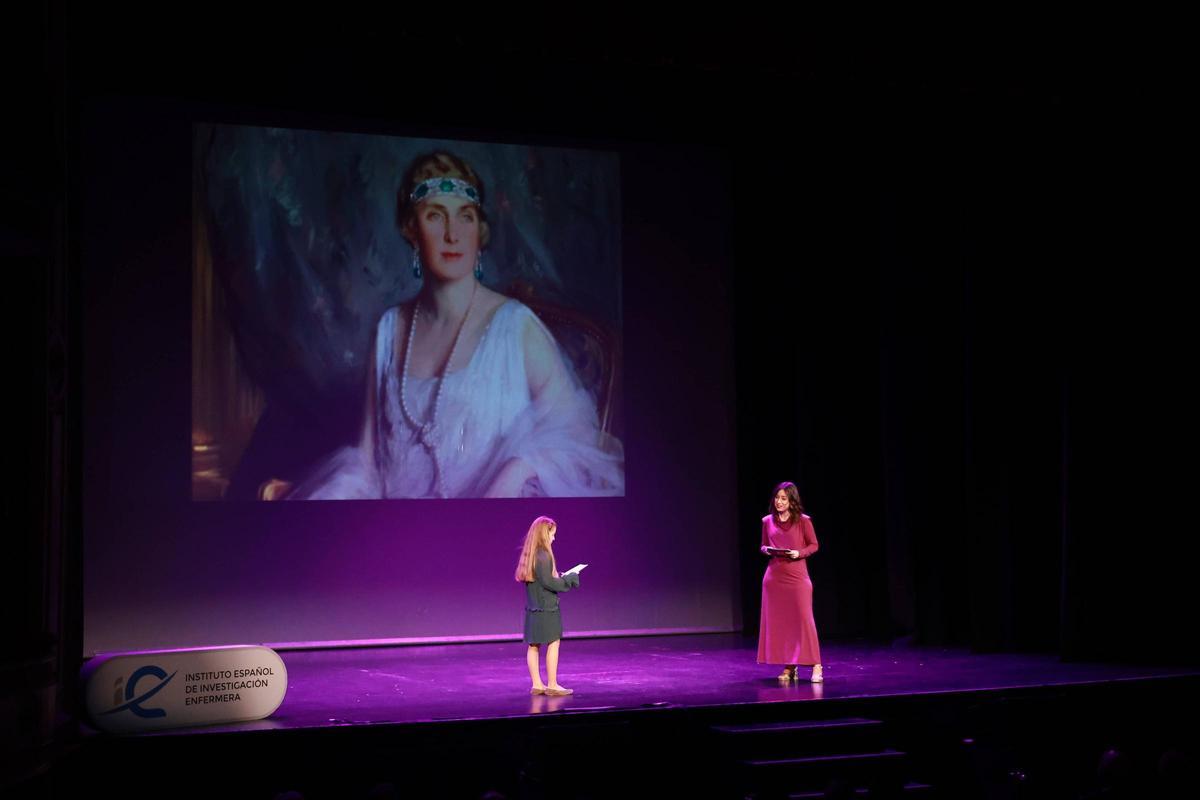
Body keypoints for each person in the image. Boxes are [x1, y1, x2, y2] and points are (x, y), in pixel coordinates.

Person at [283, 151, 623, 499]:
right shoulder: (389, 329)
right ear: (412, 231)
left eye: (465, 217)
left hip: (484, 533)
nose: (452, 234)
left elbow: (577, 434)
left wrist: (516, 470)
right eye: (435, 216)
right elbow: (368, 461)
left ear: (480, 231)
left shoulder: (516, 328)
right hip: (398, 533)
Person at [757, 481, 823, 682]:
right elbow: (763, 545)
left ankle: (817, 665)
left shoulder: (803, 521)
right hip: (774, 578)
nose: (779, 502)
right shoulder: (767, 521)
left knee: (804, 620)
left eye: (784, 498)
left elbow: (814, 545)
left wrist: (798, 553)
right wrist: (767, 550)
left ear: (792, 500)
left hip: (797, 577)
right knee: (784, 624)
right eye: (777, 498)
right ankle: (790, 666)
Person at [514, 516, 579, 696]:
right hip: (546, 607)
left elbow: (542, 580)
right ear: (544, 534)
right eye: (552, 534)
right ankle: (552, 684)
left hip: (533, 608)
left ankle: (537, 684)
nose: (554, 538)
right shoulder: (543, 555)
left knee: (534, 645)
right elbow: (549, 583)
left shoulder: (531, 555)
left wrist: (559, 577)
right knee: (553, 642)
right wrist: (568, 580)